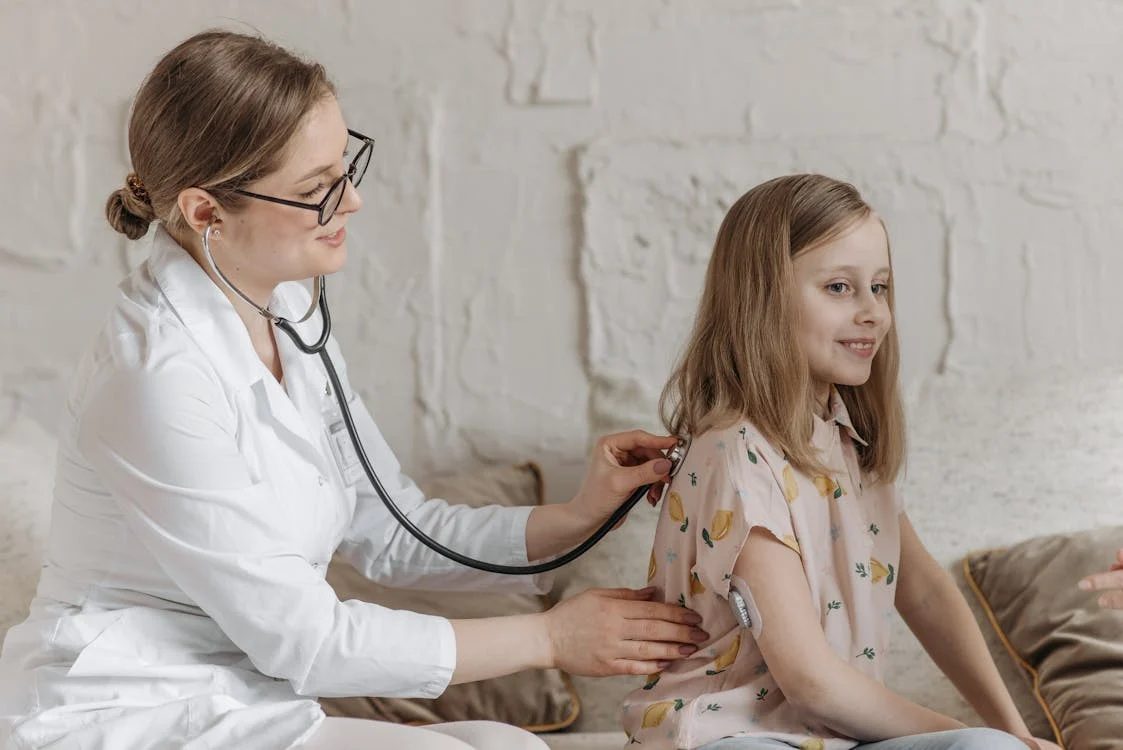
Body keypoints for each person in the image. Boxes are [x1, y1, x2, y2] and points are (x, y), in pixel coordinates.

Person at [0, 30, 708, 750]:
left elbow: (396, 529)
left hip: (241, 699)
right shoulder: (152, 380)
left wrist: (576, 516)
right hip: (126, 712)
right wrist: (551, 639)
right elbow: (305, 641)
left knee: (508, 745)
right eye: (317, 190)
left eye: (345, 167)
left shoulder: (287, 311)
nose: (354, 201)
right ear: (208, 212)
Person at [619, 175, 1062, 750]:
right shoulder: (735, 454)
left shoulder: (848, 444)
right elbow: (811, 682)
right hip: (723, 734)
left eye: (879, 287)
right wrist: (963, 731)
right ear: (763, 299)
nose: (874, 312)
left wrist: (1011, 731)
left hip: (828, 737)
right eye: (839, 287)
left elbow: (926, 594)